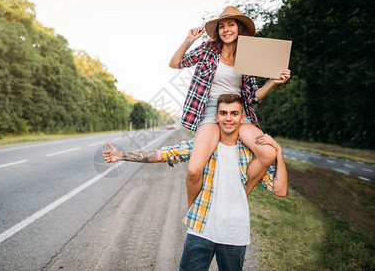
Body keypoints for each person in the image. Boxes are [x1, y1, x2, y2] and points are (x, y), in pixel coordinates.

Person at [103, 94, 288, 271]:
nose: (228, 118)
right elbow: (162, 154)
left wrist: (278, 152)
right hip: (201, 229)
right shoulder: (202, 147)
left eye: (234, 113)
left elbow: (280, 190)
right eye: (223, 113)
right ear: (216, 117)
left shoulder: (250, 154)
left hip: (234, 233)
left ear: (242, 117)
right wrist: (121, 155)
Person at [168, 6, 291, 208]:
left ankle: (240, 198)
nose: (226, 30)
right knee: (194, 170)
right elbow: (175, 64)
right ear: (218, 31)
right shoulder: (207, 49)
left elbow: (251, 97)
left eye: (231, 25)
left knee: (268, 153)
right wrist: (189, 40)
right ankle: (193, 210)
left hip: (238, 112)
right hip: (210, 110)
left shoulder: (249, 56)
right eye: (222, 26)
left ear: (239, 28)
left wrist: (272, 82)